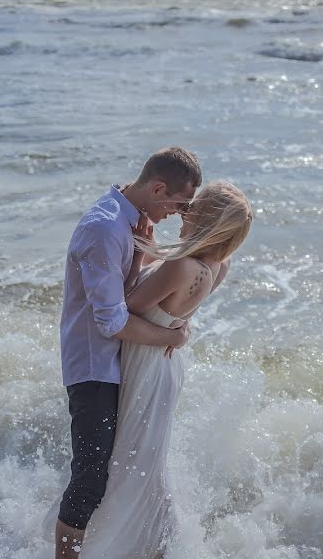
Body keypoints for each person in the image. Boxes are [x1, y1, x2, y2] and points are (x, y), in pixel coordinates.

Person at [77, 180, 254, 558]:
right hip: (165, 369)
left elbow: (123, 309)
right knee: (145, 462)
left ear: (203, 219)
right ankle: (165, 545)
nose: (183, 213)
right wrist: (153, 251)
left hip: (144, 363)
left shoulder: (179, 266)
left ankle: (135, 546)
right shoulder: (217, 265)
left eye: (192, 208)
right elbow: (171, 306)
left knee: (128, 462)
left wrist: (139, 258)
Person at [55, 147, 202, 559]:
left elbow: (120, 298)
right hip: (93, 367)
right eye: (178, 203)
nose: (179, 213)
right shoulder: (103, 228)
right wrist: (170, 337)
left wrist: (140, 255)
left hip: (118, 364)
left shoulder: (127, 223)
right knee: (89, 479)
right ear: (158, 187)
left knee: (120, 472)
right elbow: (112, 322)